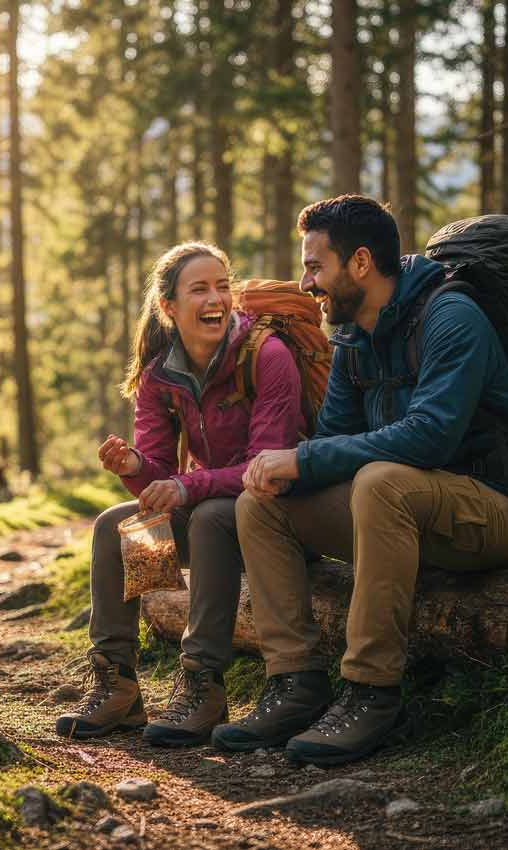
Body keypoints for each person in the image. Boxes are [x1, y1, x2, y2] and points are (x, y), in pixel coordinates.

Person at [211, 195, 508, 764]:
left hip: (501, 512)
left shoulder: (452, 316)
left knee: (379, 481)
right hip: (402, 512)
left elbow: (431, 437)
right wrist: (284, 465)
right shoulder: (353, 338)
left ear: (361, 263)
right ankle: (295, 684)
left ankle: (372, 693)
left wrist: (307, 461)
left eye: (316, 267)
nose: (306, 283)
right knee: (261, 505)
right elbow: (334, 439)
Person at [56, 241, 306, 747]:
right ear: (169, 307)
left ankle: (203, 683)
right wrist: (134, 467)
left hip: (279, 516)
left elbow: (266, 467)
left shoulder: (268, 356)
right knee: (113, 525)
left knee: (212, 514)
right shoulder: (159, 376)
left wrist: (182, 485)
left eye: (222, 285)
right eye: (200, 289)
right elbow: (159, 479)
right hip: (213, 513)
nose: (216, 297)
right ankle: (117, 682)